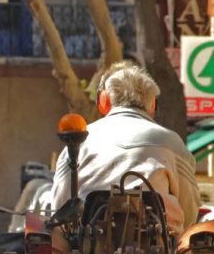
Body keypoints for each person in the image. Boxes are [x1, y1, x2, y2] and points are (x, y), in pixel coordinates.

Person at [52, 60, 200, 234]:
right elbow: (189, 208)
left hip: (86, 245)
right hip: (161, 248)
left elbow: (60, 204)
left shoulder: (82, 138)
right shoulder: (171, 142)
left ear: (104, 101)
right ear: (153, 104)